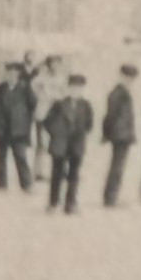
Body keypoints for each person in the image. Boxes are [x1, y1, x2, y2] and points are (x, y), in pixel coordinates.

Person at [44, 74, 93, 214]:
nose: (76, 91)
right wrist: (57, 133)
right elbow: (48, 122)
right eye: (73, 87)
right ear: (68, 88)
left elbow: (89, 124)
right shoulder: (58, 104)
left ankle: (71, 204)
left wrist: (80, 134)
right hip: (60, 144)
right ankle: (53, 203)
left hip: (76, 144)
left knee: (74, 175)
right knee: (57, 174)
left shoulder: (86, 105)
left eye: (79, 88)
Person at [0, 61, 36, 192]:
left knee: (21, 156)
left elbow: (32, 105)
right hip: (1, 128)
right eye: (8, 73)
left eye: (14, 73)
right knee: (1, 158)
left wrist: (25, 122)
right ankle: (2, 185)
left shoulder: (25, 88)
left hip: (18, 129)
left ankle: (27, 184)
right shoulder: (0, 88)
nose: (10, 75)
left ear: (18, 75)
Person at [101, 64, 138, 207]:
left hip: (123, 134)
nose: (130, 81)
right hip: (120, 135)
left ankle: (111, 196)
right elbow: (110, 116)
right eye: (127, 77)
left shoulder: (123, 92)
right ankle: (110, 198)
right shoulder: (118, 93)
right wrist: (107, 133)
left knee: (118, 166)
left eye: (132, 78)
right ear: (121, 76)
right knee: (117, 167)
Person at [31, 55, 66, 180]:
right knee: (42, 143)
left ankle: (58, 171)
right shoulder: (41, 78)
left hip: (57, 115)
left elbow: (64, 94)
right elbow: (34, 88)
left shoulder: (62, 78)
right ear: (48, 64)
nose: (55, 66)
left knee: (58, 143)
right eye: (53, 63)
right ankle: (38, 172)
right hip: (43, 114)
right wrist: (44, 95)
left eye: (58, 63)